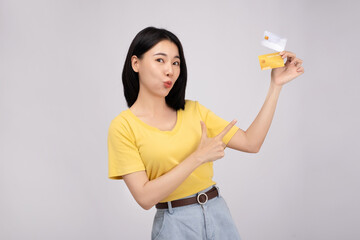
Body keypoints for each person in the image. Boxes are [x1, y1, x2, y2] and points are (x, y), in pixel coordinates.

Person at [107, 26, 304, 240]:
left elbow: (251, 143)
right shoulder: (123, 126)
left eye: (176, 62)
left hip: (218, 214)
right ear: (136, 63)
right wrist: (198, 157)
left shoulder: (194, 110)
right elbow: (144, 198)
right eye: (160, 60)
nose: (170, 70)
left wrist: (276, 85)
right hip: (175, 225)